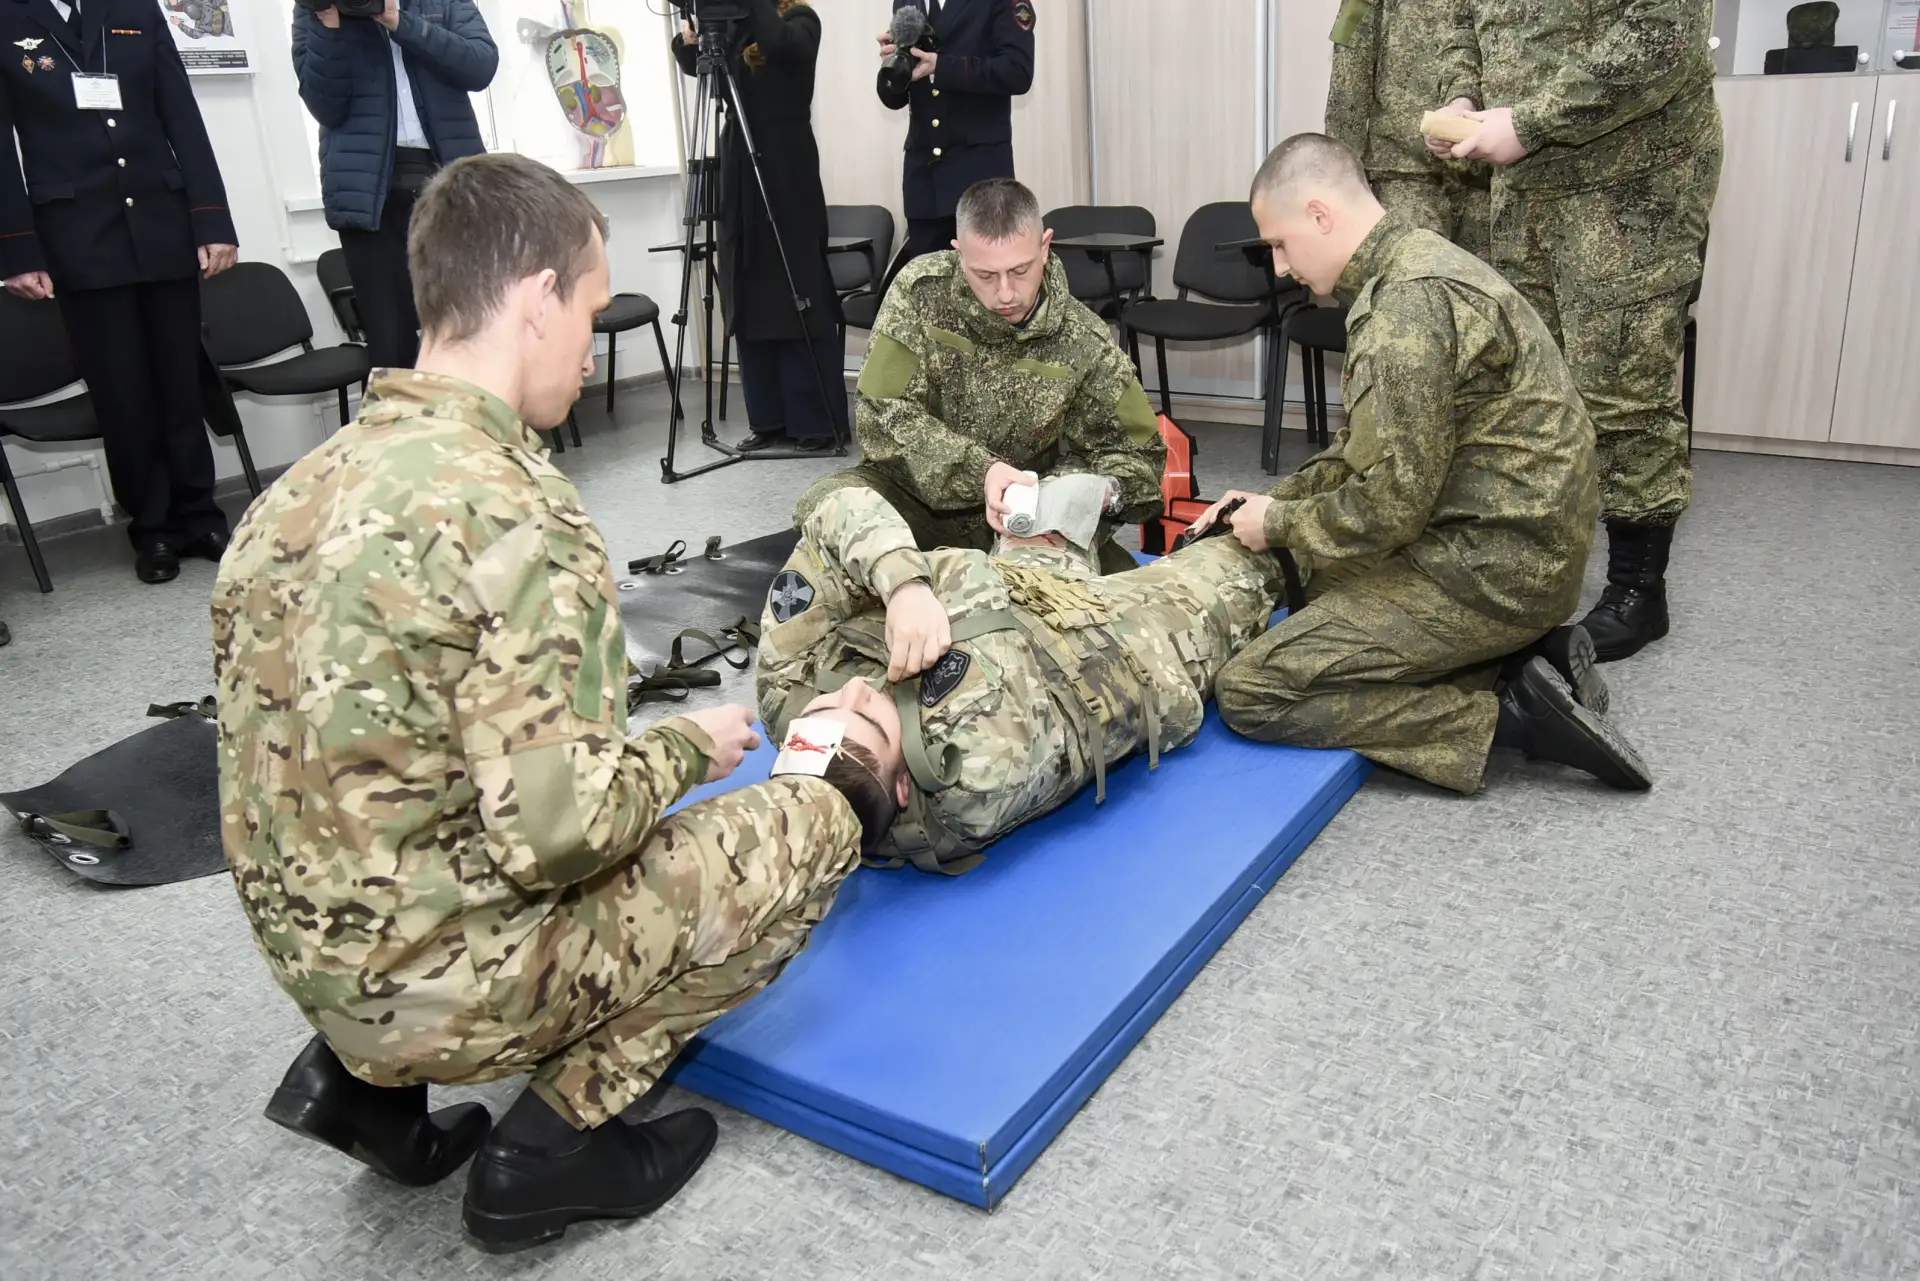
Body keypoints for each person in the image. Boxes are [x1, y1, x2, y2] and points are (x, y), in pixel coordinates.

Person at [212, 154, 880, 1254]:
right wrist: (682, 747)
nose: (589, 341)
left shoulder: (292, 492)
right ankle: (554, 1147)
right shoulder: (517, 514)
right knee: (811, 821)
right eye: (587, 306)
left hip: (318, 968)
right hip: (443, 987)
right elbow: (563, 835)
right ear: (537, 299)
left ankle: (367, 1094)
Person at [1202, 134, 1652, 796]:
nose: (1280, 266)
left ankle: (1507, 719)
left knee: (1253, 688)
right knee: (1320, 589)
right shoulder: (1417, 263)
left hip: (1495, 570)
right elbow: (1365, 448)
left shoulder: (1403, 307)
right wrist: (1274, 500)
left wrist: (1279, 523)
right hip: (1522, 546)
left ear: (1320, 215)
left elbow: (1391, 505)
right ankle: (1523, 655)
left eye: (1279, 244)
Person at [756, 481, 1294, 872]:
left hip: (1022, 594)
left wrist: (902, 587)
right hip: (1125, 643)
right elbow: (967, 571)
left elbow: (838, 509)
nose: (854, 689)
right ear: (903, 786)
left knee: (1054, 493)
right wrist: (906, 586)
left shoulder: (787, 693)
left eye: (825, 706)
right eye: (868, 716)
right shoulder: (976, 770)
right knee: (1257, 541)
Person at [1428, 0, 1721, 662]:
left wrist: (1529, 122)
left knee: (1621, 389)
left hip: (1630, 185)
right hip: (1526, 186)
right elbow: (1467, 22)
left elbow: (1664, 30)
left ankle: (1637, 592)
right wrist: (1462, 97)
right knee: (1531, 386)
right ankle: (1536, 568)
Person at [794, 177, 1166, 577]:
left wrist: (1082, 491)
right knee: (826, 503)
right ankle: (910, 585)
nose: (1005, 293)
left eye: (1020, 270)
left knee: (1118, 597)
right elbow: (882, 413)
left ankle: (924, 580)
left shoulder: (1083, 338)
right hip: (915, 501)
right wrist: (981, 472)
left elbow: (1139, 456)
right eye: (985, 275)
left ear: (1045, 247)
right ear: (959, 253)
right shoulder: (921, 293)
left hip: (1025, 518)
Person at [0, 0, 238, 585]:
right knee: (122, 393)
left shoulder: (134, 7)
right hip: (76, 234)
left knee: (179, 381)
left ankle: (201, 515)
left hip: (161, 223)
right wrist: (18, 249)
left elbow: (182, 115)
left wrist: (212, 220)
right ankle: (153, 528)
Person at [674, 0, 844, 453]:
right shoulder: (733, 29)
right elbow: (707, 76)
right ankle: (768, 419)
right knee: (746, 290)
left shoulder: (800, 19)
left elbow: (783, 44)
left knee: (795, 289)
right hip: (739, 167)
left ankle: (814, 422)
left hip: (786, 169)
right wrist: (691, 37)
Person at [293, 0, 497, 370]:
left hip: (450, 183)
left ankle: (472, 410)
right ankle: (400, 411)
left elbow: (480, 66)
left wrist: (399, 21)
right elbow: (325, 106)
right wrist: (328, 25)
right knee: (390, 342)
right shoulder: (318, 8)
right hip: (368, 192)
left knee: (469, 327)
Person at [875, 0, 1035, 292]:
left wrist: (941, 66)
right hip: (924, 180)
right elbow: (896, 99)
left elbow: (1018, 71)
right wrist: (894, 64)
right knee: (929, 298)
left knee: (987, 297)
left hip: (980, 176)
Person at [1323, 0, 1490, 259]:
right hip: (1404, 181)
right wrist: (1341, 187)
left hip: (1481, 177)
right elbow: (1349, 84)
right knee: (1410, 277)